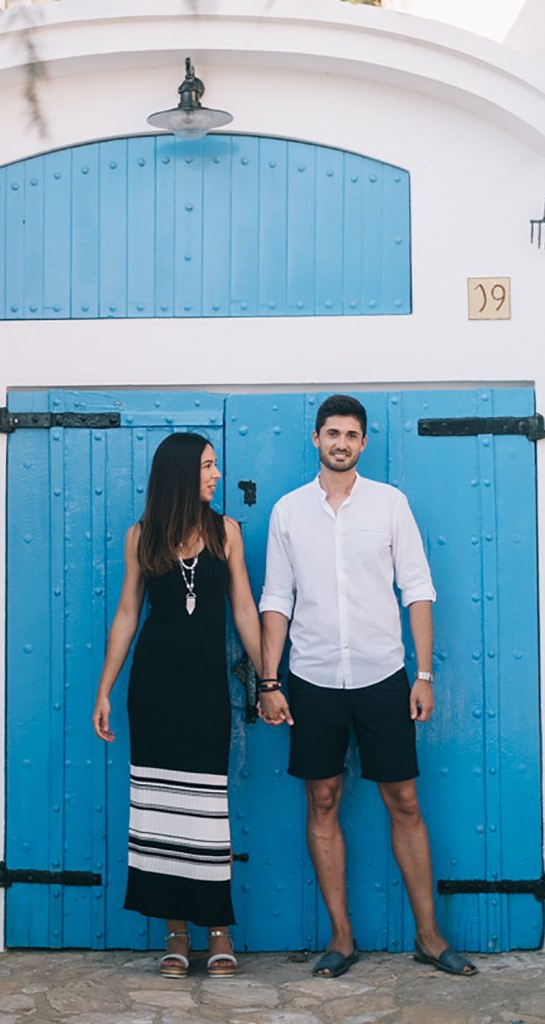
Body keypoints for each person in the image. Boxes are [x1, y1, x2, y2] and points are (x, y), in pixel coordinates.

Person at [258, 394, 477, 979]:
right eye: (332, 432)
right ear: (315, 439)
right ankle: (342, 938)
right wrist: (269, 680)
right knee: (322, 798)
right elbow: (277, 600)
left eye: (351, 434)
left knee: (403, 799)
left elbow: (418, 589)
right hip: (312, 678)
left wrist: (424, 674)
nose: (341, 442)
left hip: (384, 676)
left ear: (363, 442)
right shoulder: (288, 512)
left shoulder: (390, 505)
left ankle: (430, 938)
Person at [93, 432, 262, 979]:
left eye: (215, 466)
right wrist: (105, 689)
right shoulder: (142, 537)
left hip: (206, 690)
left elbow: (244, 612)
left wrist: (270, 679)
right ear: (183, 474)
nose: (216, 475)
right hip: (154, 689)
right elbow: (126, 614)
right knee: (159, 811)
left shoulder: (227, 533)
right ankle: (174, 933)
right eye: (208, 467)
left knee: (206, 813)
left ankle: (217, 930)